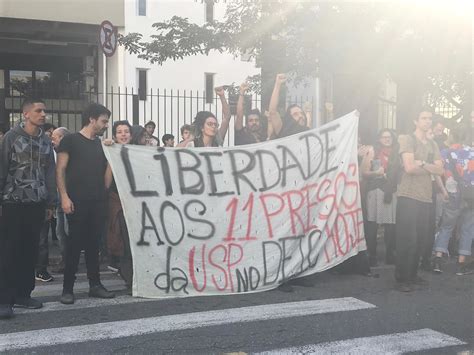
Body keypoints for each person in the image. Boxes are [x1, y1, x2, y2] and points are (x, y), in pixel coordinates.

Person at [0, 98, 56, 319]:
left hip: (37, 203)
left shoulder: (45, 141)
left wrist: (51, 202)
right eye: (38, 110)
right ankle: (5, 298)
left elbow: (49, 172)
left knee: (30, 251)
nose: (43, 114)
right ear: (26, 114)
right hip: (13, 202)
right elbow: (2, 168)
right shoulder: (11, 138)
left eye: (44, 110)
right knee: (9, 251)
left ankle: (24, 294)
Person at [56, 103, 115, 305]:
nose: (106, 125)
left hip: (97, 201)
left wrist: (111, 158)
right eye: (103, 121)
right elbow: (60, 169)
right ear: (91, 119)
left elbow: (106, 180)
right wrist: (64, 196)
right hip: (76, 201)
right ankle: (67, 289)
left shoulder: (101, 145)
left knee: (93, 245)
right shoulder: (70, 140)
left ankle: (95, 285)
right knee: (74, 246)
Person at [394, 108, 443, 292]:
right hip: (408, 194)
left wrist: (422, 163)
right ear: (416, 121)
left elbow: (440, 170)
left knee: (422, 238)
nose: (427, 121)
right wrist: (428, 167)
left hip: (425, 197)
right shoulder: (407, 139)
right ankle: (402, 278)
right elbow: (409, 168)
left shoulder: (432, 144)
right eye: (424, 118)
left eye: (430, 118)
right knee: (408, 239)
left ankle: (413, 275)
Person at [432, 125, 474, 275]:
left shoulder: (444, 153)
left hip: (452, 193)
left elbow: (437, 172)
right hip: (470, 196)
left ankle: (438, 260)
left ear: (452, 136)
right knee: (468, 228)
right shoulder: (472, 152)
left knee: (446, 226)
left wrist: (443, 189)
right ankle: (461, 263)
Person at [361, 129, 398, 266]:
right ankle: (372, 255)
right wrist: (377, 173)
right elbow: (364, 172)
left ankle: (390, 255)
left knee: (391, 225)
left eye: (389, 137)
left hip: (391, 190)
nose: (387, 139)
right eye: (384, 137)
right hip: (375, 189)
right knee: (373, 224)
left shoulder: (397, 153)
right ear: (379, 139)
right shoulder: (372, 151)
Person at [104, 121, 134, 288]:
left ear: (131, 135)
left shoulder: (138, 153)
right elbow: (107, 184)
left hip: (137, 205)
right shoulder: (110, 151)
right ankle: (129, 279)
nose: (123, 134)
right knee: (125, 242)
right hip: (120, 205)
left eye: (126, 131)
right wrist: (111, 156)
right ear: (114, 136)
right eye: (119, 132)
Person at [50, 127, 71, 274]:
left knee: (69, 231)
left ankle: (71, 260)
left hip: (68, 197)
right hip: (58, 198)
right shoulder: (52, 153)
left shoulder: (70, 154)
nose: (52, 140)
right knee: (60, 232)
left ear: (63, 138)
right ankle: (65, 259)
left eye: (55, 137)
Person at [267, 74, 310, 139]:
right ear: (289, 118)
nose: (300, 116)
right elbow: (272, 112)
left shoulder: (308, 132)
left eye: (301, 113)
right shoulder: (283, 131)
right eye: (295, 114)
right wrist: (278, 85)